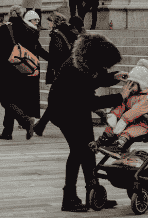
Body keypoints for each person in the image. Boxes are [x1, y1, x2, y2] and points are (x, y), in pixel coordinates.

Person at [45, 33, 125, 212]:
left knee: (89, 149)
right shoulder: (74, 68)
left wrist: (115, 76)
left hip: (78, 108)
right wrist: (120, 97)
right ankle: (69, 198)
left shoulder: (90, 61)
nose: (105, 68)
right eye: (104, 65)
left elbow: (96, 80)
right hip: (63, 110)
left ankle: (93, 194)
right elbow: (90, 101)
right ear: (96, 59)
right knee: (77, 151)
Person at [0, 8, 49, 140]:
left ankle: (25, 121)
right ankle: (7, 131)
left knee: (6, 100)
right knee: (12, 100)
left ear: (9, 14)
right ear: (22, 15)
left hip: (7, 70)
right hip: (22, 70)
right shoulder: (29, 29)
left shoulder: (5, 28)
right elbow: (37, 49)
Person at [96, 60, 148, 156]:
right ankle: (101, 141)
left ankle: (118, 146)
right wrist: (114, 116)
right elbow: (121, 106)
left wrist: (122, 121)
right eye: (128, 83)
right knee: (112, 128)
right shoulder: (131, 95)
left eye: (132, 84)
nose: (129, 87)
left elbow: (134, 111)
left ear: (141, 84)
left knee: (128, 132)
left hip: (145, 124)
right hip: (131, 121)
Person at [33, 11, 81, 137]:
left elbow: (57, 56)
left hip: (60, 72)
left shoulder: (56, 35)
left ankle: (41, 126)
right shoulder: (70, 32)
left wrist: (41, 52)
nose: (48, 24)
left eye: (49, 22)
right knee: (58, 100)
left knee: (55, 100)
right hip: (70, 71)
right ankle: (40, 126)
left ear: (54, 22)